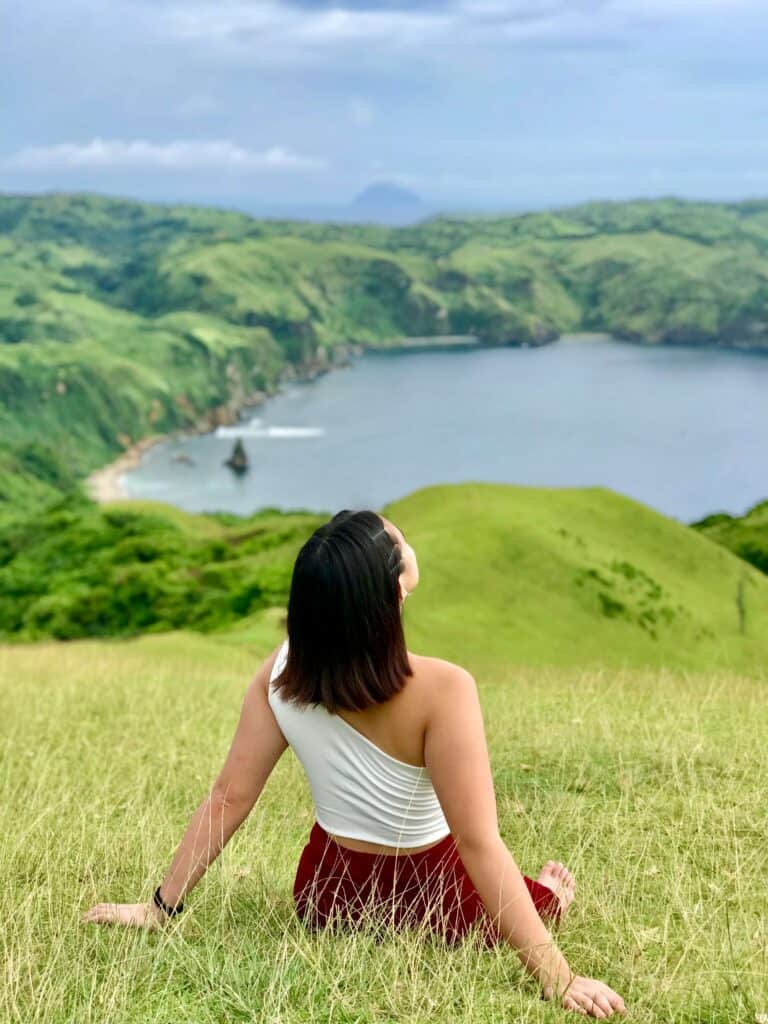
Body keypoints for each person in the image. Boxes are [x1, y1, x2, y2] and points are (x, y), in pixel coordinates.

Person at [82, 510, 626, 1019]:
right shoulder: (445, 689)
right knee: (542, 897)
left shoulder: (282, 669)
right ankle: (549, 899)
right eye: (396, 544)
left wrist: (159, 908)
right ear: (392, 592)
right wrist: (559, 977)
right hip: (438, 897)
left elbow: (230, 796)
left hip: (326, 895)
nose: (401, 538)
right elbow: (477, 844)